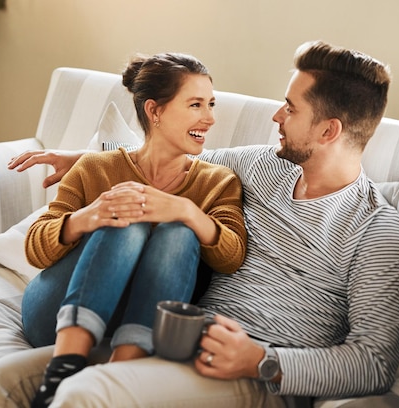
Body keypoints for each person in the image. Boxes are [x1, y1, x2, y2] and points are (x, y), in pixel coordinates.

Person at [8, 41, 399, 407]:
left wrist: (261, 361)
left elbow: (374, 363)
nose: (276, 116)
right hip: (172, 336)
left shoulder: (375, 229)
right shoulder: (264, 165)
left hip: (252, 376)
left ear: (328, 130)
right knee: (2, 381)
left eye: (290, 108)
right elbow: (169, 157)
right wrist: (82, 157)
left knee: (86, 395)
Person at [19, 52, 247, 407]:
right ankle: (60, 371)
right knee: (125, 218)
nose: (210, 118)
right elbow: (35, 248)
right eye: (196, 105)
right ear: (155, 111)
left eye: (211, 104)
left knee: (179, 231)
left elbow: (232, 257)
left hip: (139, 322)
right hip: (54, 317)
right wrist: (89, 216)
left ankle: (121, 370)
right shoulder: (95, 167)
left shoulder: (217, 181)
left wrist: (187, 211)